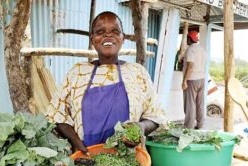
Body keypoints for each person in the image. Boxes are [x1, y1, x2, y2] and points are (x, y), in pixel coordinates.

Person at [46, 11, 166, 153]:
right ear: (92, 39)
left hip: (131, 161)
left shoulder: (137, 73)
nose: (108, 35)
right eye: (100, 31)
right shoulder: (77, 73)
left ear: (123, 38)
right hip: (85, 158)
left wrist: (141, 127)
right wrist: (77, 143)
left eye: (115, 31)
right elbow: (57, 116)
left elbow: (155, 117)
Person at [182, 30, 206, 129]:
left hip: (192, 79)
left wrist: (184, 80)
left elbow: (190, 65)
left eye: (187, 38)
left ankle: (189, 127)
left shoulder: (190, 50)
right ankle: (200, 124)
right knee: (199, 103)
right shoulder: (202, 49)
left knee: (190, 103)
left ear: (189, 39)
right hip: (201, 79)